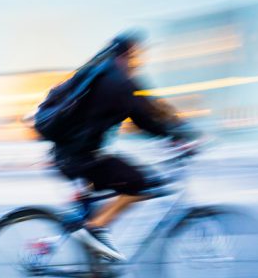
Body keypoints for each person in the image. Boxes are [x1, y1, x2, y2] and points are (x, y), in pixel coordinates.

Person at [52, 30, 199, 261]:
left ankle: (95, 264)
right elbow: (145, 117)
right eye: (137, 54)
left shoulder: (103, 75)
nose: (139, 60)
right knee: (139, 183)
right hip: (81, 156)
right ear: (128, 53)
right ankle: (94, 229)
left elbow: (150, 108)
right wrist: (177, 136)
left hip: (70, 153)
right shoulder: (118, 81)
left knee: (112, 184)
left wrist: (175, 128)